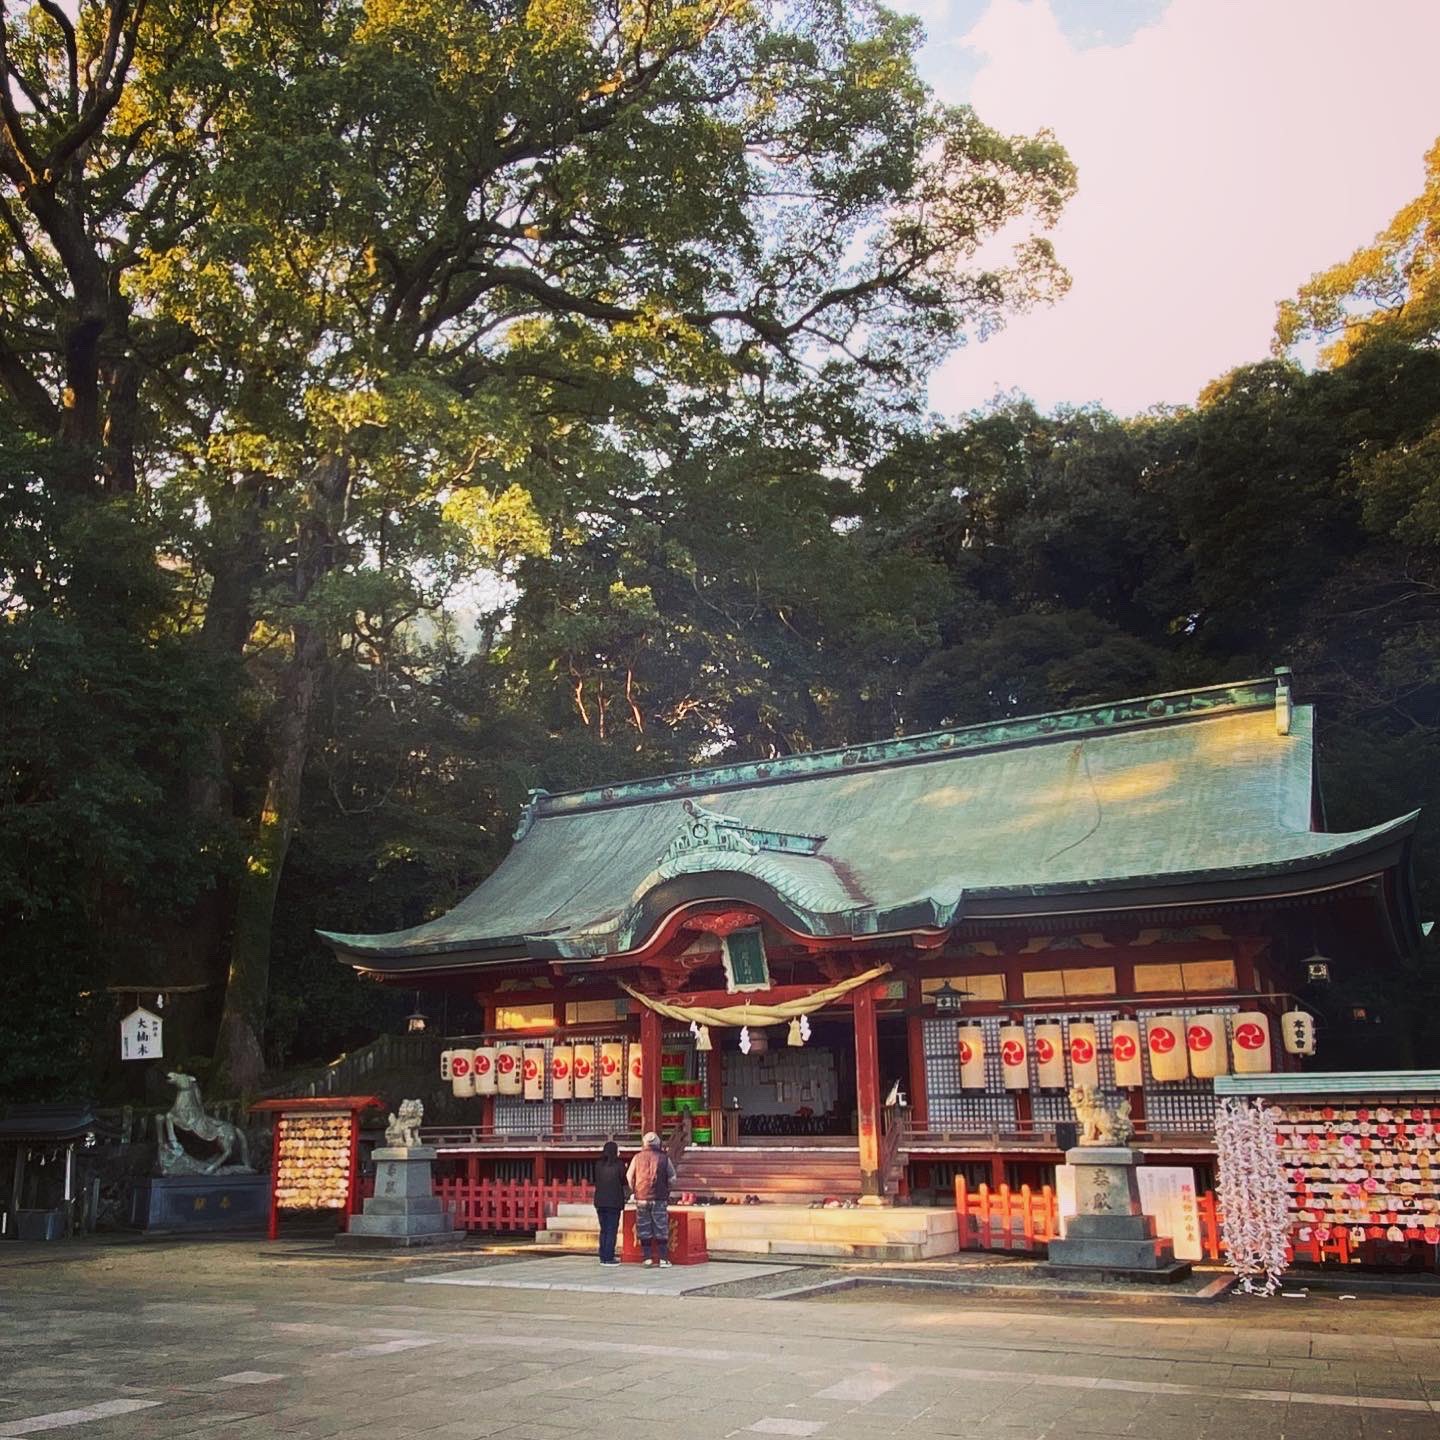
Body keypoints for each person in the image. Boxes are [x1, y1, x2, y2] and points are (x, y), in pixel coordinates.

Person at [626, 1130, 677, 1266]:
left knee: (644, 1227)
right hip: (659, 1197)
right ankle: (663, 1259)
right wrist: (667, 1188)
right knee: (661, 1227)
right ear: (658, 1143)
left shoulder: (637, 1158)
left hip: (642, 1197)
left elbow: (629, 1176)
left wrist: (635, 1189)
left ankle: (647, 1258)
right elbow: (672, 1178)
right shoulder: (664, 1158)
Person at [592, 1139, 626, 1266]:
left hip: (600, 1201)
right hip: (614, 1201)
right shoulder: (619, 1165)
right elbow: (623, 1181)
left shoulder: (598, 1165)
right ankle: (609, 1256)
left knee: (604, 1229)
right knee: (612, 1229)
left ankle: (603, 1255)